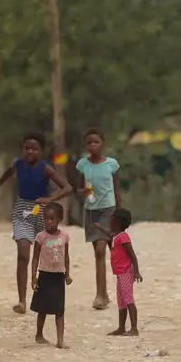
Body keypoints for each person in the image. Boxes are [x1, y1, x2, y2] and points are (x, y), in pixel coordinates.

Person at [0, 133, 73, 314]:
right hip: (22, 210)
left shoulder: (45, 168)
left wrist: (50, 199)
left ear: (41, 151)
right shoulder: (18, 165)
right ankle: (22, 301)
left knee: (46, 255)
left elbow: (68, 187)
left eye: (34, 148)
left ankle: (46, 296)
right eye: (26, 148)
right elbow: (6, 175)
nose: (30, 151)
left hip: (43, 211)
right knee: (23, 253)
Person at [75, 128, 121, 310]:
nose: (93, 145)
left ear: (103, 144)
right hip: (91, 211)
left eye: (96, 142)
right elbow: (77, 189)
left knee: (110, 251)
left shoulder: (112, 164)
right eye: (89, 143)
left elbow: (117, 190)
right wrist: (82, 192)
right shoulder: (82, 165)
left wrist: (121, 213)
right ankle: (102, 294)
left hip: (109, 210)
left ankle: (116, 292)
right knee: (99, 253)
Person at [30, 203, 71, 348]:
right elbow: (35, 258)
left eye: (52, 219)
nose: (48, 221)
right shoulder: (40, 237)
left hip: (58, 276)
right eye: (45, 218)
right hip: (45, 275)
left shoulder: (64, 236)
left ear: (59, 219)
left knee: (60, 310)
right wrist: (33, 277)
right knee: (43, 308)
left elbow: (66, 256)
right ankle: (39, 334)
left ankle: (60, 340)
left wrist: (67, 274)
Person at [97, 208, 142, 336]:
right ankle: (121, 327)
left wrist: (137, 272)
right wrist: (97, 226)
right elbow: (107, 232)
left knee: (128, 299)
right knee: (121, 301)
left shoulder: (123, 237)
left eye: (112, 220)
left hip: (126, 272)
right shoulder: (116, 236)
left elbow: (133, 256)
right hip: (120, 273)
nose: (110, 222)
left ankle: (134, 328)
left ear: (117, 222)